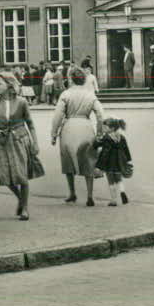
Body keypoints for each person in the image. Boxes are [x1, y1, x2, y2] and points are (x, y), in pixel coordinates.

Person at [51, 66, 105, 207]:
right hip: (86, 126)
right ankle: (89, 196)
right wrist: (100, 133)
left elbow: (58, 116)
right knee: (89, 161)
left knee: (68, 159)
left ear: (70, 78)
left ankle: (72, 193)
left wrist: (53, 134)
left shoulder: (65, 95)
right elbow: (100, 114)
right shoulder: (90, 95)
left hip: (69, 127)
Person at [0, 72, 40, 221]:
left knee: (21, 175)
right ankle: (20, 198)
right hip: (3, 142)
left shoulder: (21, 102)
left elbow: (30, 124)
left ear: (9, 85)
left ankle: (24, 208)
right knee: (4, 175)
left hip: (19, 140)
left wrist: (35, 143)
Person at [93, 117, 133, 206]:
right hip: (119, 162)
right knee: (119, 179)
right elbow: (126, 150)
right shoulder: (121, 137)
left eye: (105, 127)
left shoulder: (106, 138)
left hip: (109, 162)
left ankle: (113, 200)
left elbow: (99, 148)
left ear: (112, 128)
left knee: (111, 180)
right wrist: (129, 161)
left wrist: (99, 165)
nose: (103, 129)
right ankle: (122, 192)